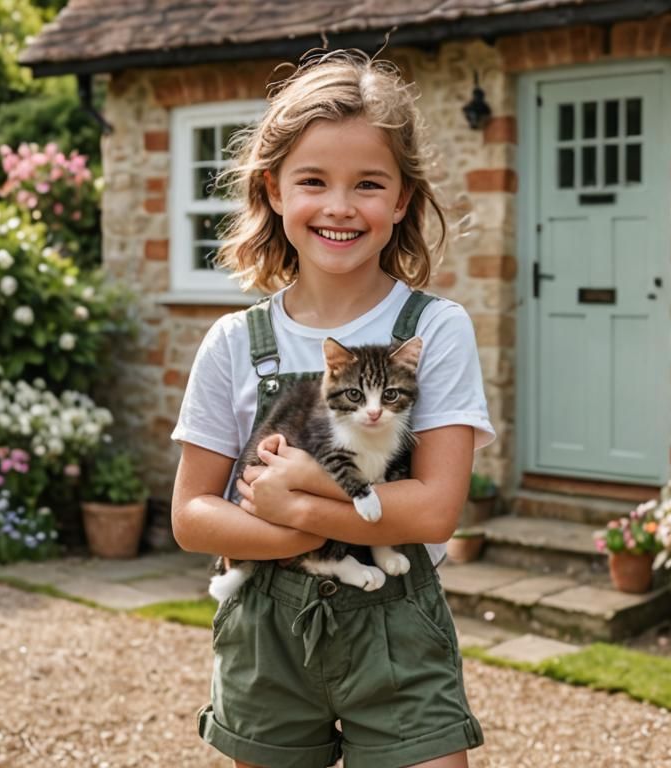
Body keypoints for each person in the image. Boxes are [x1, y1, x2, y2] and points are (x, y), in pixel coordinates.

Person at [170, 50, 494, 768]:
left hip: (398, 636)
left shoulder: (434, 330)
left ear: (403, 199)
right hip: (266, 639)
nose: (341, 206)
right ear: (274, 190)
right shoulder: (233, 342)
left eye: (369, 184)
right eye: (313, 181)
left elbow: (436, 509)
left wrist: (298, 500)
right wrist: (297, 532)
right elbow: (192, 515)